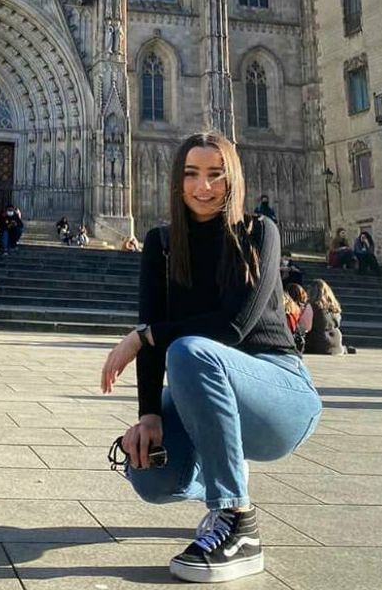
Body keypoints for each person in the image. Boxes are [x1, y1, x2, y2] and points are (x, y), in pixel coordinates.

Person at [100, 130, 321, 584]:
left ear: (232, 179)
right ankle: (222, 478)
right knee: (151, 474)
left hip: (278, 391)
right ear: (177, 181)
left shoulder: (259, 231)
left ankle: (237, 522)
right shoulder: (160, 246)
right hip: (202, 380)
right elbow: (154, 334)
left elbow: (234, 326)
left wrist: (144, 337)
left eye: (215, 175)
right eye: (192, 174)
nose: (203, 187)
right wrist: (148, 417)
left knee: (189, 349)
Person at [304, 279, 347, 355]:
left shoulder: (312, 306)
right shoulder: (333, 307)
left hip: (319, 343)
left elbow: (307, 327)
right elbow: (337, 324)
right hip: (336, 341)